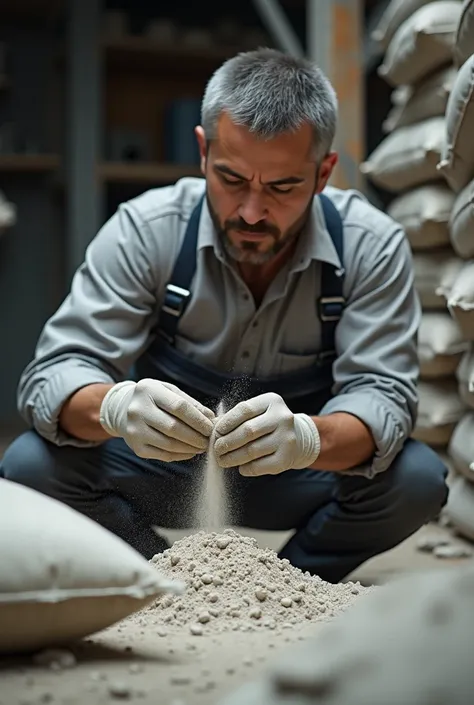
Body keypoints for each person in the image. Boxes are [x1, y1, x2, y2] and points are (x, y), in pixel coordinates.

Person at [0, 48, 448, 583]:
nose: (252, 212)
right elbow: (53, 375)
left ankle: (290, 582)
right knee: (30, 465)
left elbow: (384, 397)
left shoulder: (370, 245)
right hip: (162, 463)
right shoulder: (147, 229)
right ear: (203, 152)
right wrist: (116, 407)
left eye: (283, 187)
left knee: (416, 481)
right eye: (232, 179)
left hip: (297, 472)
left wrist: (306, 439)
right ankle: (158, 575)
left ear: (324, 172)